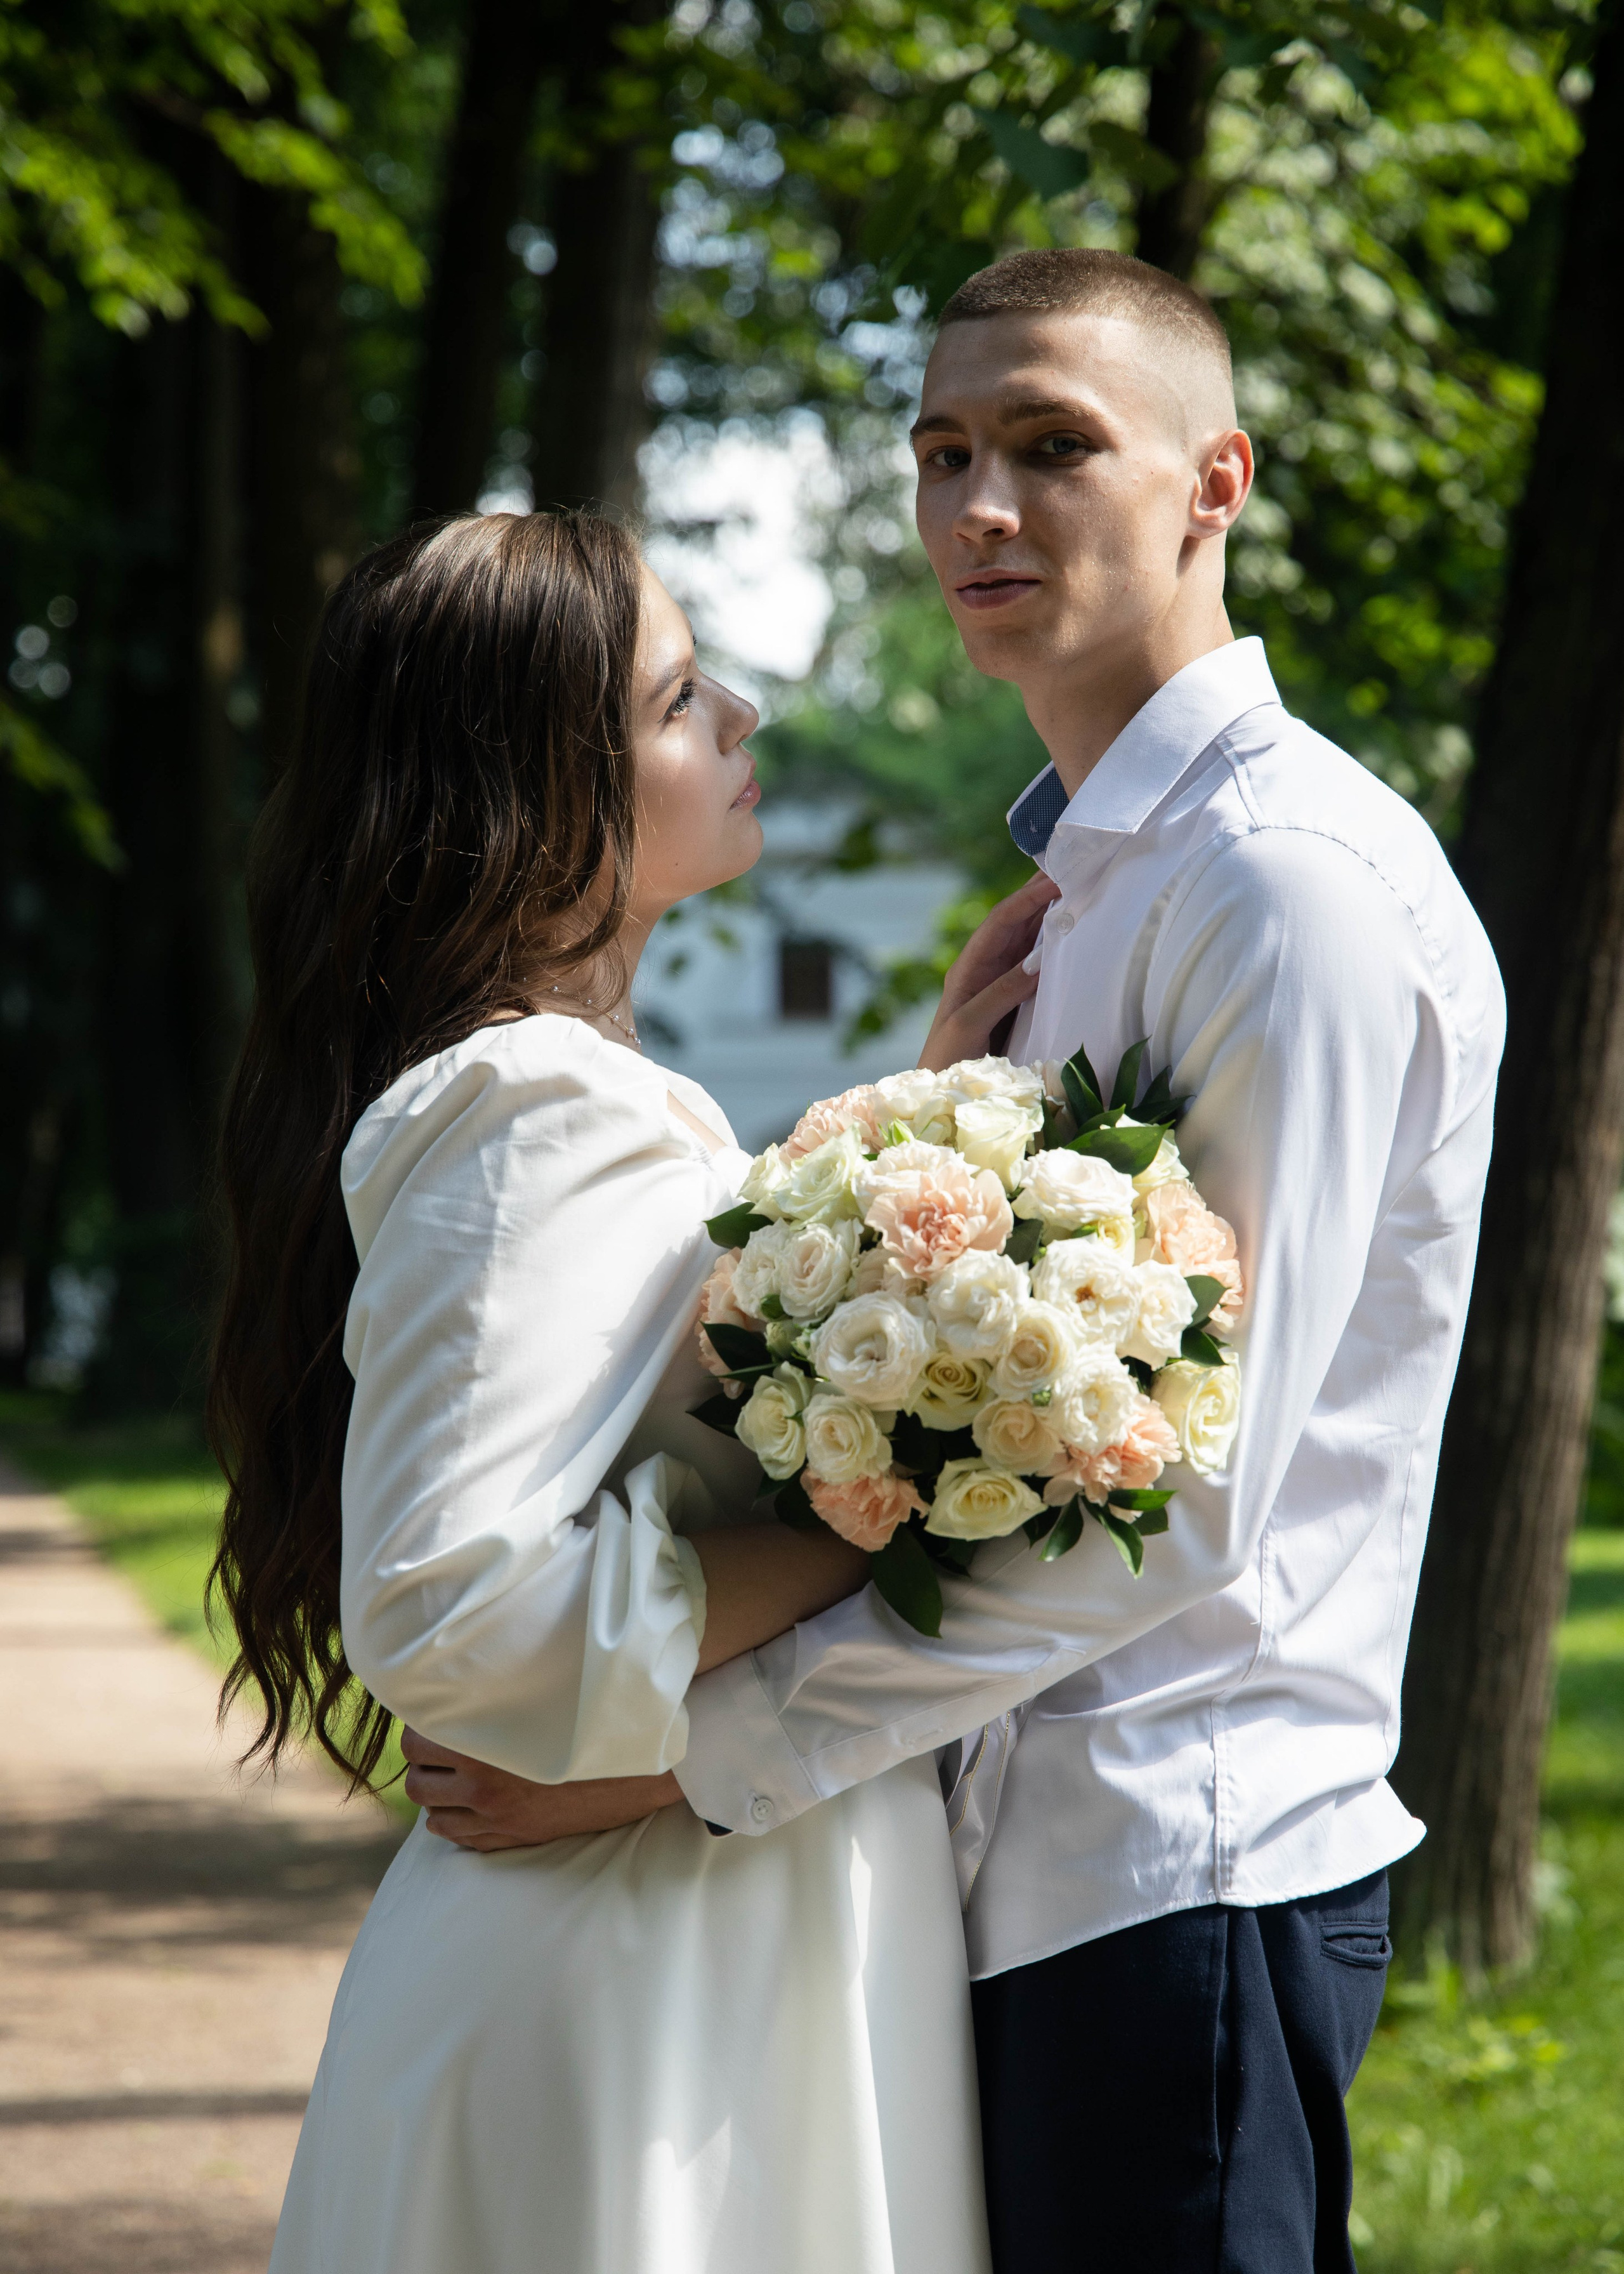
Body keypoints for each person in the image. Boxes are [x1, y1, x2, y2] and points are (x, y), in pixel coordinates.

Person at [416, 251, 1505, 2272]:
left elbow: (1188, 1500)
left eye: (1051, 447)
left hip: (1182, 1870)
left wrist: (687, 1763)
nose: (979, 509)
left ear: (1214, 482)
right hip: (1018, 1874)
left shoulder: (1283, 887)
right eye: (943, 454)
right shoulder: (1091, 879)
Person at [207, 508, 1018, 2273]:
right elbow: (446, 1607)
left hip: (687, 1935)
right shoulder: (538, 1107)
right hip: (647, 1981)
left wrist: (928, 1135)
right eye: (676, 699)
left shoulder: (560, 1093)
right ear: (535, 788)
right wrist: (881, 1524)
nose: (741, 719)